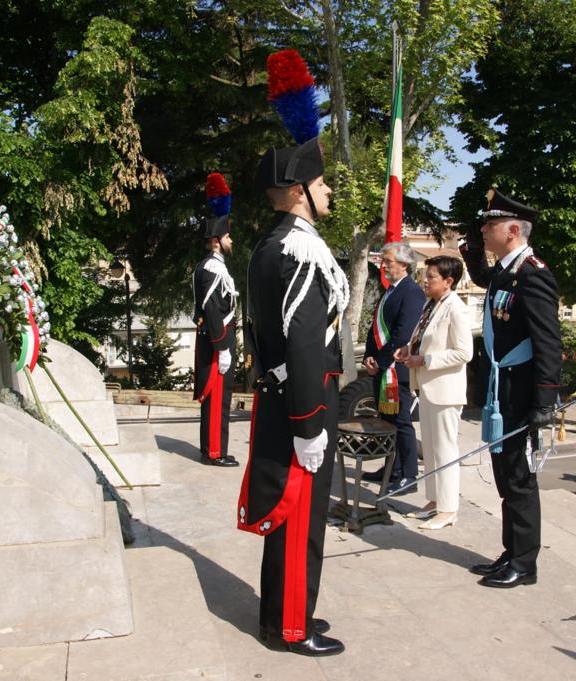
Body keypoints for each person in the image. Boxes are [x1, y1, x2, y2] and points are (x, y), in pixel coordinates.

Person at [236, 49, 346, 658]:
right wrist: (309, 423)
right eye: (322, 184)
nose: (328, 192)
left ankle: (282, 612)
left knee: (292, 518)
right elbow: (304, 343)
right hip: (304, 402)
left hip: (286, 395)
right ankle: (291, 627)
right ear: (300, 192)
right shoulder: (299, 251)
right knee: (301, 517)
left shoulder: (274, 244)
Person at [461, 188, 562, 589]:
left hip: (521, 391)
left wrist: (544, 401)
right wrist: (473, 250)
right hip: (502, 389)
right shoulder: (508, 270)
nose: (485, 229)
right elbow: (484, 278)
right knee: (505, 475)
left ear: (514, 230)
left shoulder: (533, 273)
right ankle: (511, 551)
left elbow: (548, 342)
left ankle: (525, 562)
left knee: (519, 478)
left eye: (491, 224)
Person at [394, 256, 472, 530]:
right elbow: (423, 338)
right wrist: (408, 349)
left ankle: (448, 509)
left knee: (445, 450)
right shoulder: (431, 305)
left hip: (445, 390)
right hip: (427, 388)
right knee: (430, 448)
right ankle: (434, 500)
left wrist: (425, 360)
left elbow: (464, 352)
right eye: (425, 276)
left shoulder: (456, 309)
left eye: (431, 277)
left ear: (448, 281)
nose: (425, 281)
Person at [360, 242, 426, 494]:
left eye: (387, 261)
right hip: (381, 367)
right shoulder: (390, 290)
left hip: (396, 369)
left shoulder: (411, 292)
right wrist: (369, 356)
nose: (383, 265)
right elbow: (375, 329)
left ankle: (408, 475)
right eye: (382, 260)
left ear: (404, 264)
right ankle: (392, 468)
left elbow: (403, 333)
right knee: (387, 421)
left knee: (401, 422)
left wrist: (381, 361)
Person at [192, 173, 239, 467]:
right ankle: (213, 452)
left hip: (219, 340)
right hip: (217, 342)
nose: (231, 240)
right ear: (217, 241)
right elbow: (212, 311)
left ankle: (214, 448)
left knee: (220, 400)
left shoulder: (214, 266)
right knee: (217, 398)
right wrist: (222, 348)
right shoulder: (212, 269)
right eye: (228, 236)